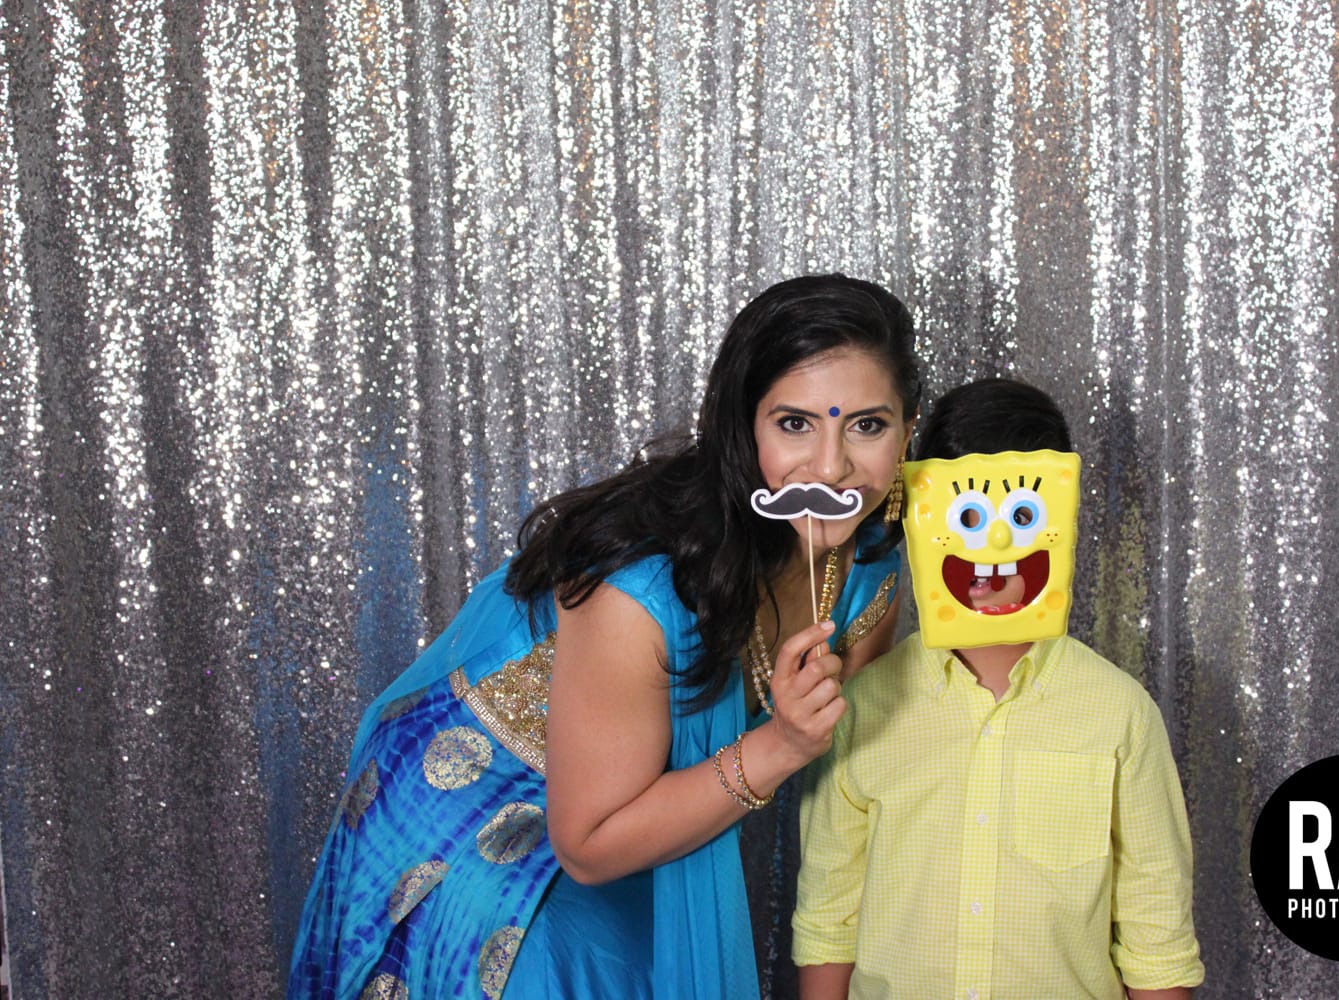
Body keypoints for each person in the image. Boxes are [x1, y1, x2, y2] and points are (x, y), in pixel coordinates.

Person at [289, 273, 923, 999]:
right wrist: (780, 745)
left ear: (908, 430)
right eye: (794, 424)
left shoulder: (872, 563)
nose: (832, 467)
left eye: (867, 426)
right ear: (743, 430)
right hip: (476, 805)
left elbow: (849, 785)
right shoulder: (642, 589)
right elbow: (589, 846)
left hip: (642, 801)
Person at [793, 378, 1204, 1000]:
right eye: (967, 518)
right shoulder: (861, 708)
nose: (995, 545)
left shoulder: (1120, 714)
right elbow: (829, 920)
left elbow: (1158, 941)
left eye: (1020, 516)